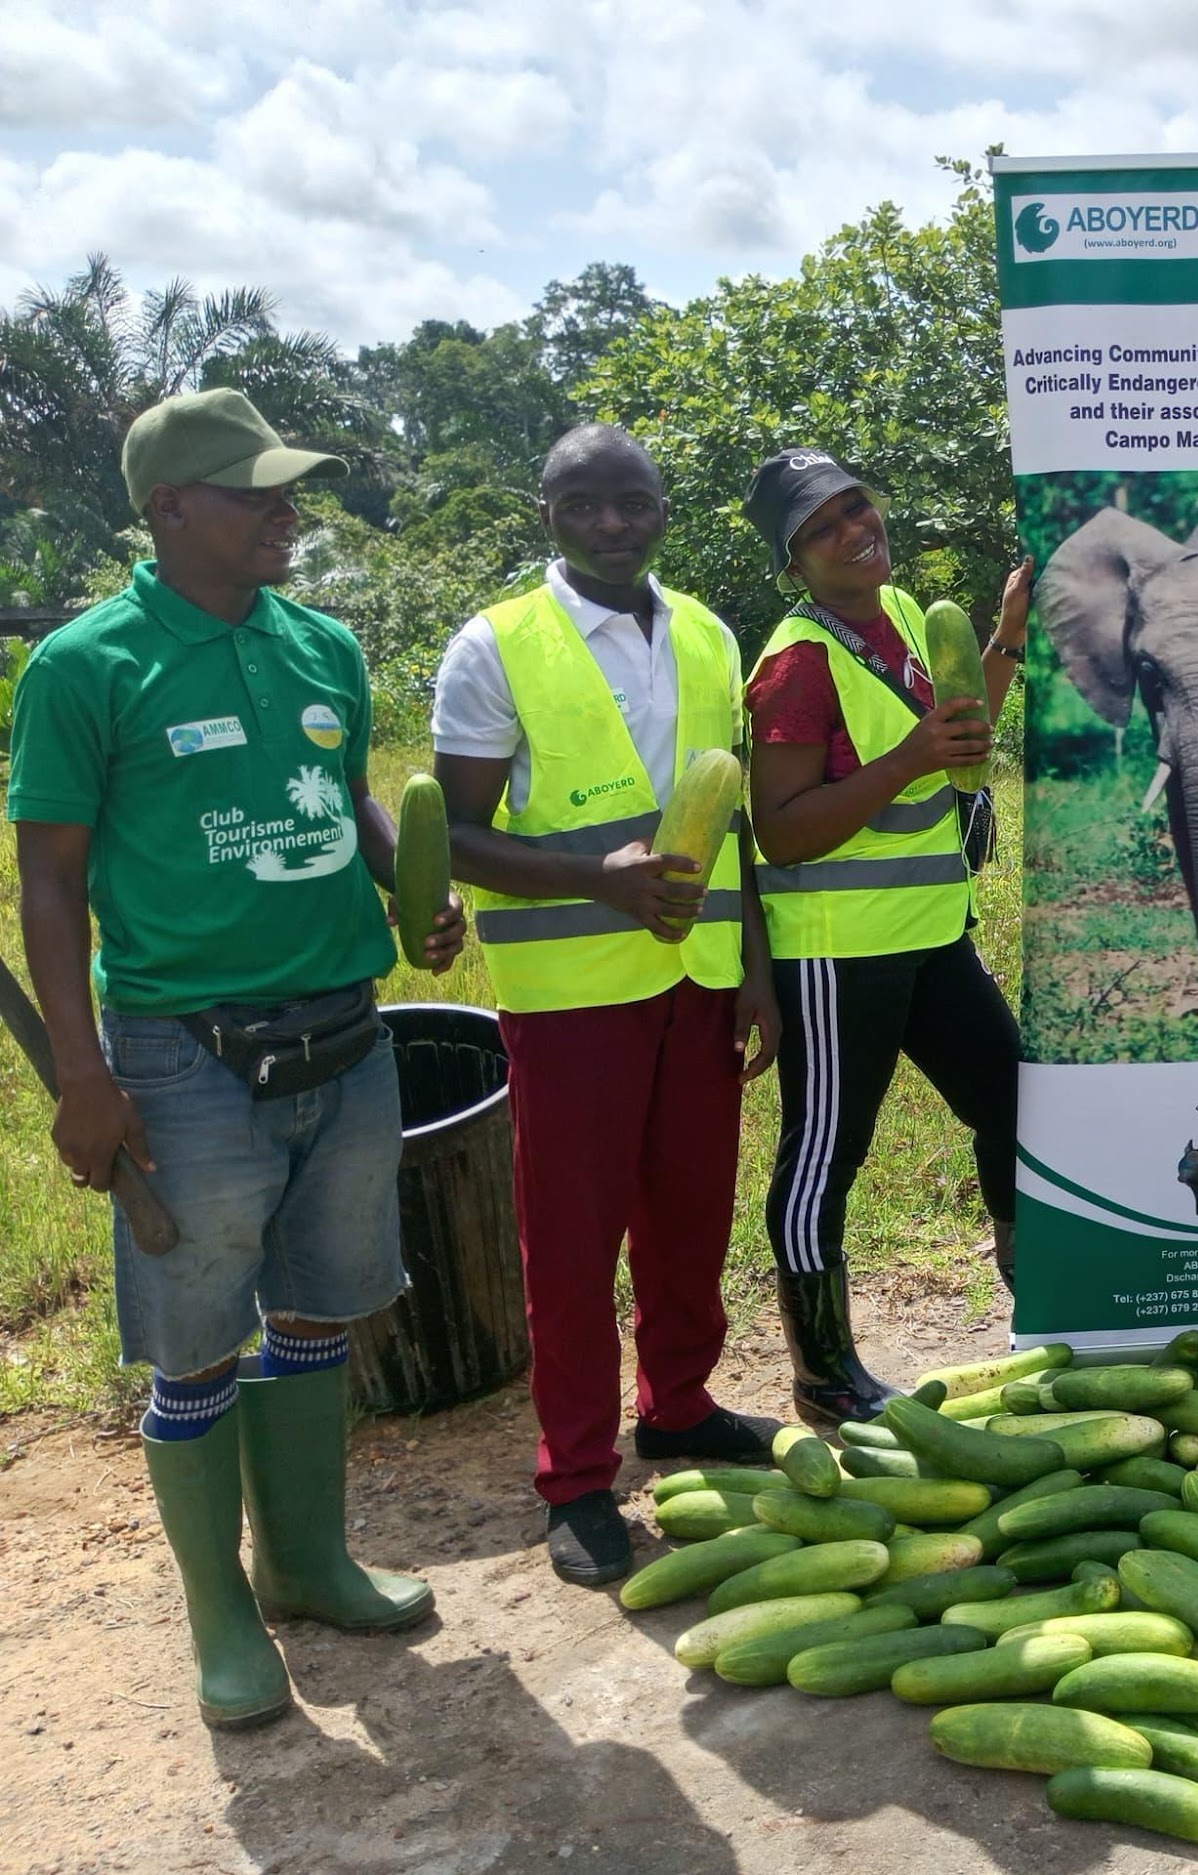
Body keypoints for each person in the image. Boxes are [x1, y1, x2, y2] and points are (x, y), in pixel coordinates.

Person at [8, 389, 462, 1728]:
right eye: (256, 491)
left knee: (319, 1307)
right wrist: (86, 1077)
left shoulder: (320, 644)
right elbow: (49, 883)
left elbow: (346, 796)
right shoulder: (89, 665)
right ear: (169, 508)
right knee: (197, 1339)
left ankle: (308, 1562)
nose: (288, 511)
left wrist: (407, 887)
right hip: (181, 1053)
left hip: (344, 1030)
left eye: (289, 490)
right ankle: (222, 1613)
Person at [431, 424, 780, 1587]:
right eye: (584, 504)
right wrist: (595, 878)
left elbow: (731, 825)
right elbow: (459, 834)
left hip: (699, 985)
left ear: (662, 508)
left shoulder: (711, 636)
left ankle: (676, 1410)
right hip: (571, 998)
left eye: (632, 501)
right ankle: (576, 1477)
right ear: (547, 512)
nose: (612, 523)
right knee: (571, 1248)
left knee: (690, 1220)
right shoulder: (495, 646)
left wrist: (757, 979)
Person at [738, 451, 1025, 1427]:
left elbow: (961, 727)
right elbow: (780, 827)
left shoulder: (902, 615)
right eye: (824, 527)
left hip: (933, 933)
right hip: (836, 951)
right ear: (795, 560)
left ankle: (1041, 1298)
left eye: (857, 505)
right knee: (826, 1157)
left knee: (1016, 1102)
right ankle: (825, 1374)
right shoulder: (794, 663)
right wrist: (909, 758)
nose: (855, 529)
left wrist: (1006, 639)